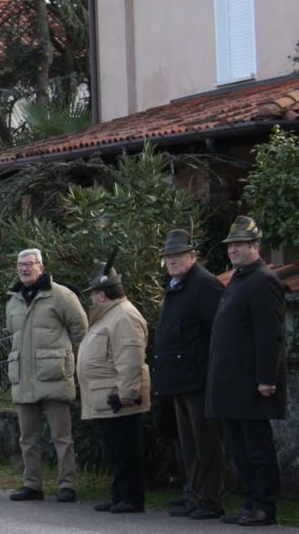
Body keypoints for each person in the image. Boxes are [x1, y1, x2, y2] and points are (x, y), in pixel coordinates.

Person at [207, 216, 288, 527]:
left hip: (251, 382)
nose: (233, 250)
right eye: (231, 245)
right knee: (240, 449)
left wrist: (266, 378)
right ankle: (251, 501)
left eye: (239, 244)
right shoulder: (239, 280)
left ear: (256, 246)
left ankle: (265, 506)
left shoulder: (264, 280)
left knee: (257, 448)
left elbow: (271, 334)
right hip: (231, 383)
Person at [154, 229, 226, 520]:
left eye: (178, 255)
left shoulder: (205, 285)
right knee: (189, 442)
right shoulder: (176, 285)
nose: (172, 260)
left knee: (206, 441)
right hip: (179, 378)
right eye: (169, 256)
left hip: (198, 378)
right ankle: (195, 495)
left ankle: (210, 498)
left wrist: (210, 373)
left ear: (192, 256)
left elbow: (218, 334)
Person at [6, 248, 87, 503]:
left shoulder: (61, 295)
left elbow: (80, 329)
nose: (23, 268)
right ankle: (32, 484)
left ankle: (67, 485)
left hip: (54, 377)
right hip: (24, 378)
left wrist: (74, 363)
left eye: (29, 264)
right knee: (27, 438)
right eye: (20, 264)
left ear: (41, 267)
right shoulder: (13, 301)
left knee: (61, 437)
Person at [77, 261, 150, 514]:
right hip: (106, 395)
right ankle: (119, 495)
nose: (92, 299)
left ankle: (131, 497)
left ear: (101, 294)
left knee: (124, 449)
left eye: (93, 294)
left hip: (118, 397)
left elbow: (130, 358)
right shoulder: (111, 315)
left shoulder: (124, 316)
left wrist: (127, 394)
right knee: (114, 450)